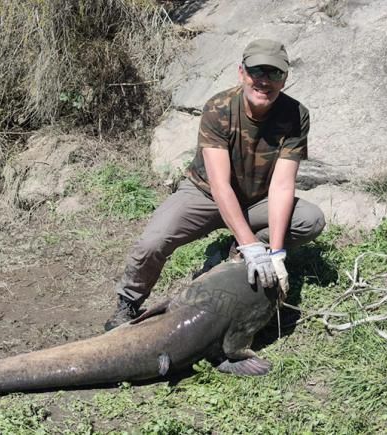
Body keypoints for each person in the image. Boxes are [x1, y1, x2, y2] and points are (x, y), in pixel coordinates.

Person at [104, 39, 326, 331]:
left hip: (256, 200)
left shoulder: (295, 115)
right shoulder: (219, 108)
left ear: (284, 79)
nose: (264, 81)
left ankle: (230, 258)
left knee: (309, 219)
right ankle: (128, 304)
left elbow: (282, 186)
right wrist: (251, 244)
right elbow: (220, 185)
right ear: (241, 73)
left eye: (274, 74)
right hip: (205, 193)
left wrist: (275, 251)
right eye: (256, 71)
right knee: (152, 243)